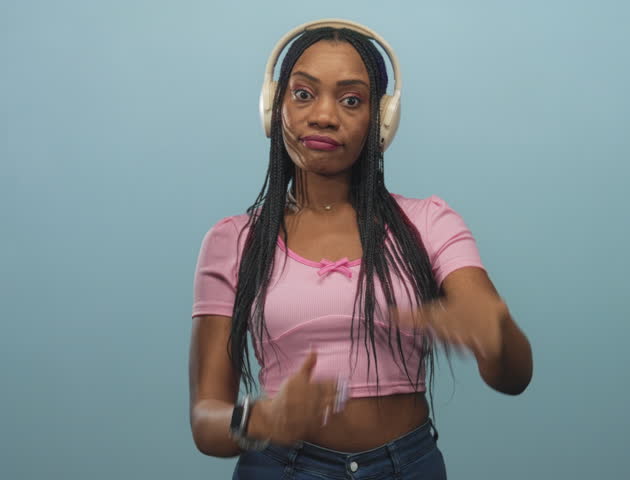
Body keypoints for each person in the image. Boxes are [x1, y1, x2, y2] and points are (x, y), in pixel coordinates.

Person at [189, 19, 533, 479]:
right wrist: (264, 418)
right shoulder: (232, 241)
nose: (324, 116)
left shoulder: (429, 224)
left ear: (381, 119)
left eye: (351, 100)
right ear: (275, 106)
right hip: (278, 465)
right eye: (304, 94)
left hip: (406, 467)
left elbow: (513, 377)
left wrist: (495, 332)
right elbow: (205, 420)